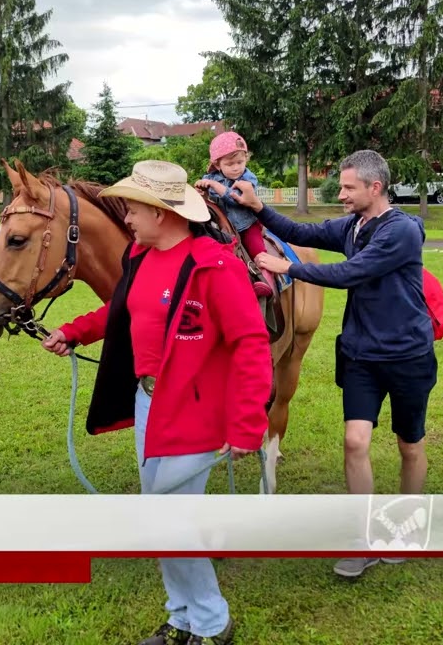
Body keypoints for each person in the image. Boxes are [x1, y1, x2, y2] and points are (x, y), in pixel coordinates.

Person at [40, 160, 272, 645]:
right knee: (159, 517)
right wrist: (73, 331)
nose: (126, 218)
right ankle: (182, 618)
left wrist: (248, 424)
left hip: (197, 411)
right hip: (149, 403)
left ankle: (212, 623)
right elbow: (121, 309)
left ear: (161, 213)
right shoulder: (140, 257)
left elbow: (250, 344)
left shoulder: (215, 266)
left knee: (172, 522)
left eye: (132, 209)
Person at [232, 149, 437, 580]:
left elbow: (351, 273)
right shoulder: (352, 226)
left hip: (407, 355)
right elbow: (298, 230)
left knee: (409, 445)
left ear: (374, 188)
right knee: (355, 442)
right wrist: (258, 206)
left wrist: (287, 267)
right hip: (361, 354)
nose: (340, 194)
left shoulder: (401, 232)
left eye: (347, 187)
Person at [194, 131, 276, 298]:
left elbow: (236, 198)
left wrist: (214, 186)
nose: (236, 167)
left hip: (247, 225)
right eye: (230, 164)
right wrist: (201, 190)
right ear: (218, 165)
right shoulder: (211, 178)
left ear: (246, 159)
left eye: (240, 161)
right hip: (223, 228)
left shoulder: (248, 178)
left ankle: (266, 280)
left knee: (258, 251)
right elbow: (208, 201)